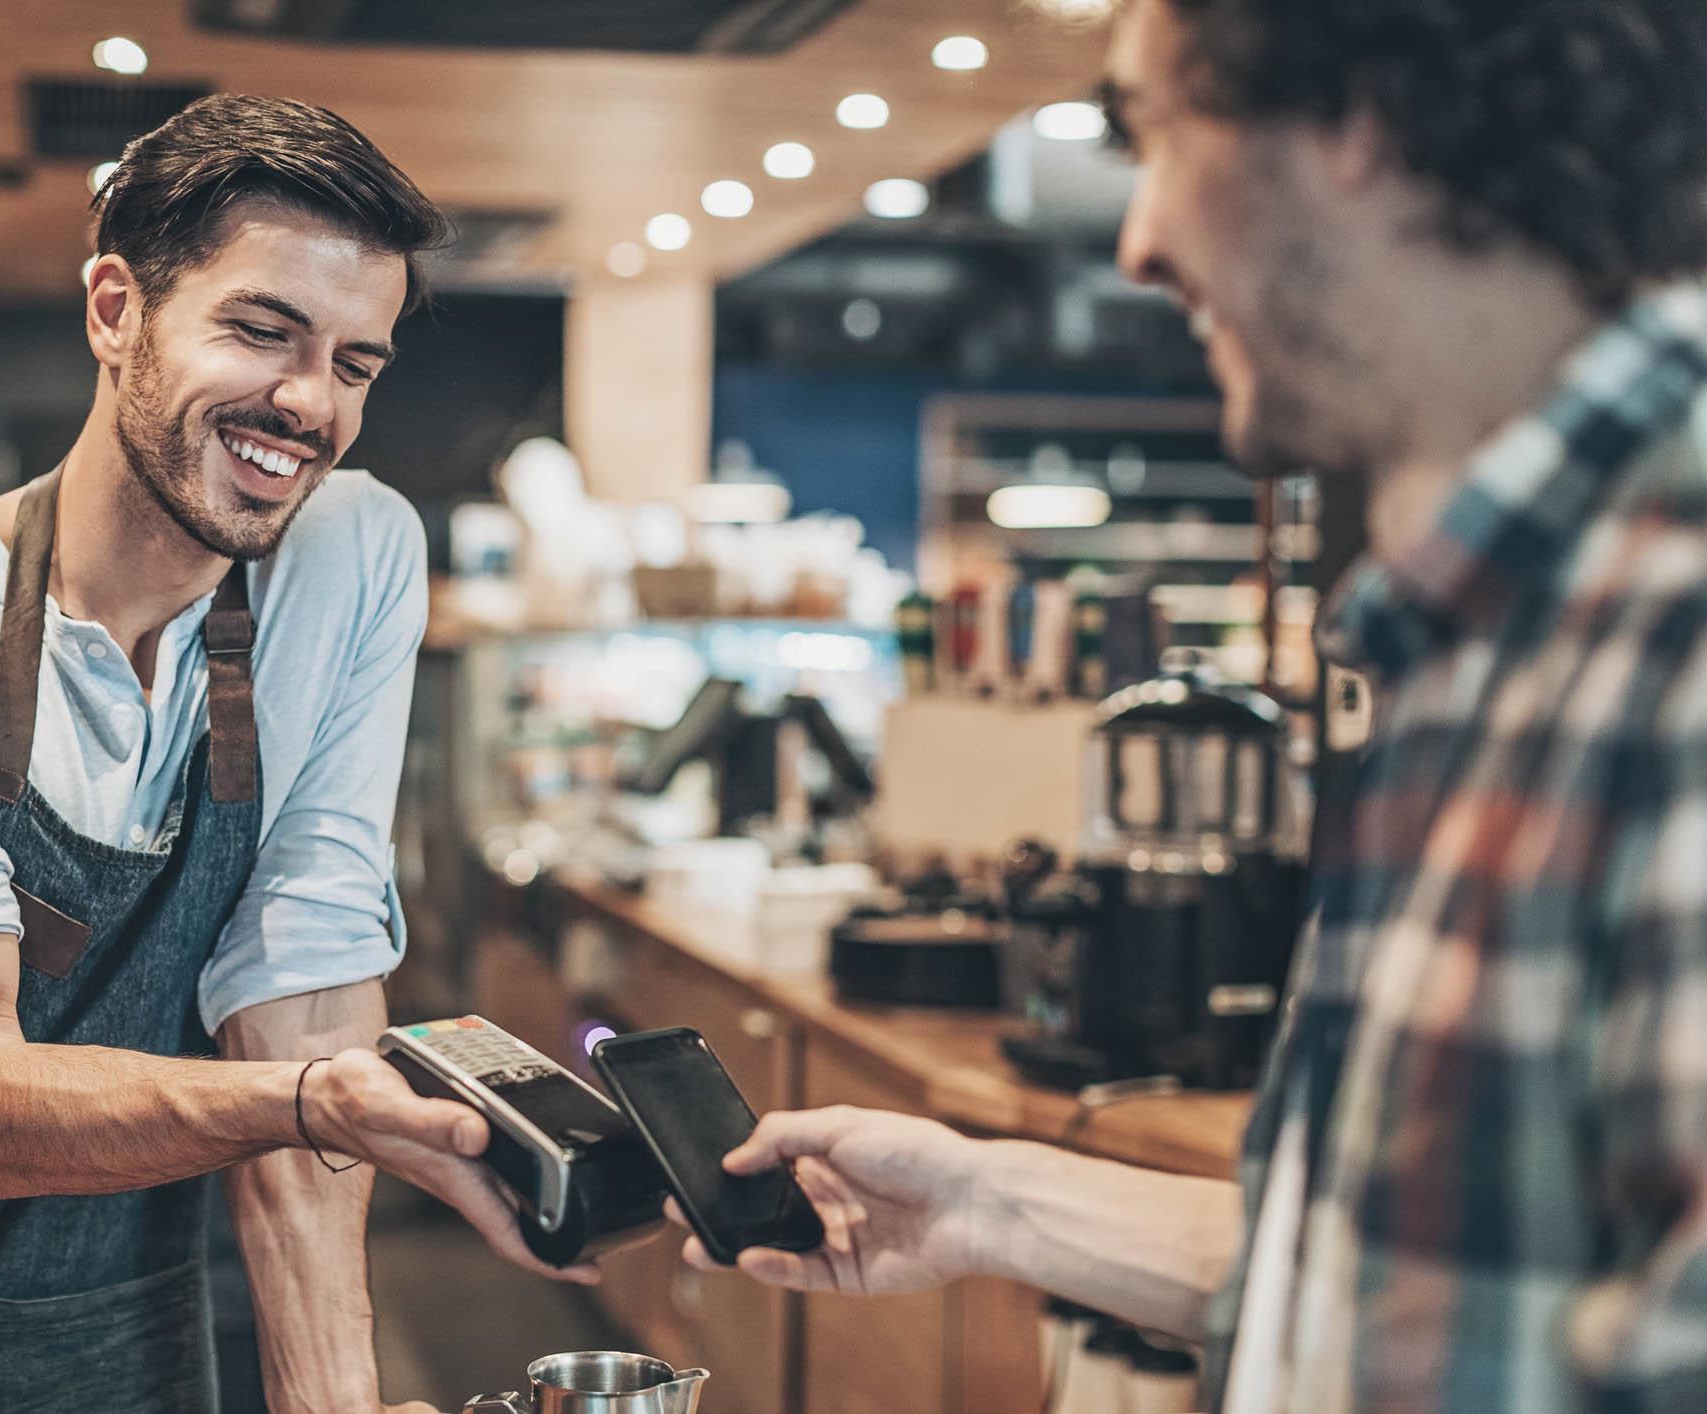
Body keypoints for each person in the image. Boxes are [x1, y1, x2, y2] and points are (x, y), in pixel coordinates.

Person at [687, 1, 1707, 1410]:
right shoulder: (1484, 636)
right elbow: (1437, 1282)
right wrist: (991, 1203)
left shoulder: (1667, 621)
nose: (1135, 242)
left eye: (1148, 137)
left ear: (1358, 114)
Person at [0, 94, 592, 1414]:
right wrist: (314, 1101)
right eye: (260, 330)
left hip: (131, 1320)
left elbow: (305, 987)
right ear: (114, 310)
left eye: (355, 362)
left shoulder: (351, 557)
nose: (307, 403)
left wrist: (330, 1398)